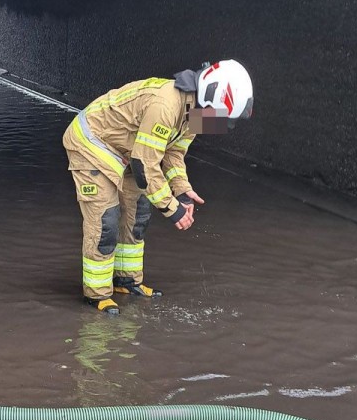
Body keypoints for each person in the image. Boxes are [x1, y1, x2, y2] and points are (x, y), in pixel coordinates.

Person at [62, 61, 253, 314]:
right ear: (212, 99)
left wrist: (182, 189)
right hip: (92, 145)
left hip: (128, 152)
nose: (221, 124)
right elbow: (145, 164)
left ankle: (126, 281)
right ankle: (97, 295)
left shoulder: (196, 112)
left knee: (138, 213)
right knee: (106, 220)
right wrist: (171, 208)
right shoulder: (166, 105)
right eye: (222, 117)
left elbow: (173, 152)